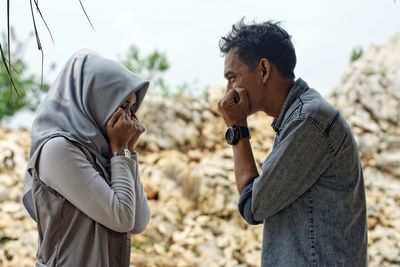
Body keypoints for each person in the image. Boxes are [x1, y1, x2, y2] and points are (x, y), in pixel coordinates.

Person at [218, 19, 368, 266]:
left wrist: (237, 128)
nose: (228, 89)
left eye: (232, 77)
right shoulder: (299, 118)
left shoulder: (309, 120)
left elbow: (253, 206)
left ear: (264, 70)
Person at [22, 49, 151, 267]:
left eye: (131, 108)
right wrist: (120, 150)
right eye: (122, 106)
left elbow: (138, 222)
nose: (129, 119)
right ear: (97, 100)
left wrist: (128, 149)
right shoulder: (57, 149)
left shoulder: (101, 152)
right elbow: (122, 217)